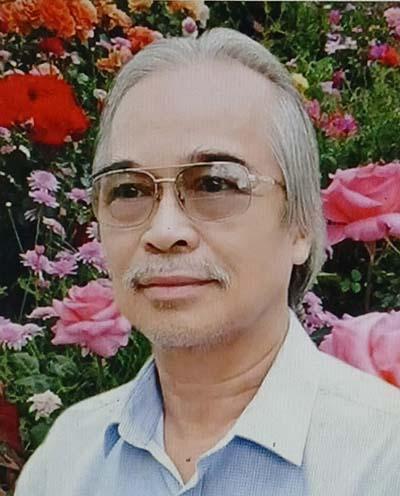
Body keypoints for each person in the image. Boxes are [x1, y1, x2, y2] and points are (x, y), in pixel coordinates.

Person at [15, 27, 400, 496]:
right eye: (129, 190)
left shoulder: (381, 462)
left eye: (215, 184)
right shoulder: (66, 463)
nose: (163, 231)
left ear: (301, 224)